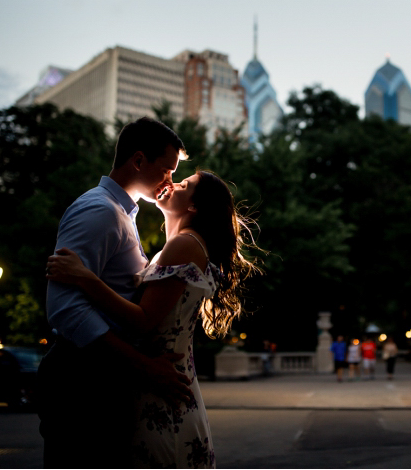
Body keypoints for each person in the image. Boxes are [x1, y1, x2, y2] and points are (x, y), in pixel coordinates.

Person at [47, 167, 259, 468]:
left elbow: (144, 320)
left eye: (184, 183)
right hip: (162, 383)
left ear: (193, 206)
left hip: (161, 392)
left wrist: (85, 278)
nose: (172, 182)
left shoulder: (184, 244)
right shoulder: (183, 244)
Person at [37, 116, 190, 469]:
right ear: (138, 161)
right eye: (166, 169)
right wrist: (144, 367)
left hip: (102, 376)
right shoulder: (99, 210)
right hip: (82, 379)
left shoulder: (122, 213)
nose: (170, 181)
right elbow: (64, 310)